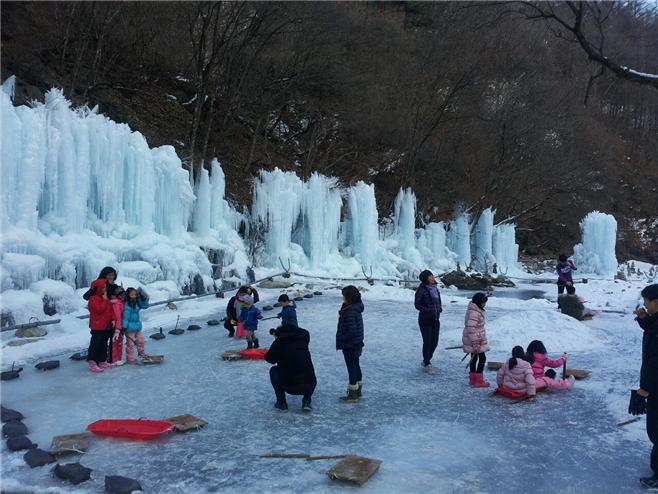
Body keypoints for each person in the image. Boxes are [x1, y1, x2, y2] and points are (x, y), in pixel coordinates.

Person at [630, 284, 658, 489]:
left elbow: (656, 360)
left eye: (647, 302)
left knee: (656, 430)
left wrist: (646, 388)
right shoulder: (655, 320)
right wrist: (643, 319)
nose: (645, 306)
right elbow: (652, 327)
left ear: (656, 302)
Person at [264, 324, 317, 412]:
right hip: (309, 385)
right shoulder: (303, 339)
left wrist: (277, 337)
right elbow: (304, 331)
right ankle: (307, 400)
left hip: (289, 386)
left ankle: (281, 402)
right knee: (307, 369)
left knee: (273, 370)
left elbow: (269, 359)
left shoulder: (278, 343)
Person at [336, 285, 364, 402]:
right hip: (357, 343)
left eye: (344, 296)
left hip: (350, 344)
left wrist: (342, 338)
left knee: (351, 367)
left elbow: (351, 330)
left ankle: (353, 394)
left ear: (349, 298)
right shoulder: (354, 308)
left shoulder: (350, 311)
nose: (343, 299)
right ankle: (358, 391)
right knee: (356, 365)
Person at [415, 270, 442, 374]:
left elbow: (438, 301)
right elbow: (417, 305)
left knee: (435, 341)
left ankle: (426, 359)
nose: (433, 277)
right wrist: (428, 310)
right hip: (425, 319)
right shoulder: (421, 289)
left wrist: (439, 309)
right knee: (427, 341)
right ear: (426, 278)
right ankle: (427, 362)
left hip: (435, 318)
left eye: (432, 275)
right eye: (430, 276)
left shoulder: (435, 288)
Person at [86, 279, 116, 373]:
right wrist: (105, 300)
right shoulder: (93, 299)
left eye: (105, 287)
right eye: (102, 287)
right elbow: (99, 309)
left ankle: (102, 360)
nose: (104, 289)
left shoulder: (104, 298)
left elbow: (110, 310)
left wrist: (113, 319)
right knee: (95, 344)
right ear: (97, 288)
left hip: (105, 326)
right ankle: (92, 362)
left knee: (103, 344)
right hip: (97, 326)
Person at [463, 292, 490, 388]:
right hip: (475, 340)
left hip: (475, 338)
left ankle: (473, 379)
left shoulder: (475, 309)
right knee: (482, 358)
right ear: (479, 302)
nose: (485, 304)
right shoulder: (475, 312)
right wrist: (475, 342)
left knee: (474, 358)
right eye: (484, 302)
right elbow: (471, 327)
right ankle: (479, 380)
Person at [122, 287, 150, 364]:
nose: (134, 296)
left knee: (140, 340)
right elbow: (125, 318)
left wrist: (143, 298)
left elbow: (145, 306)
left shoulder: (137, 302)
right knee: (130, 344)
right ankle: (130, 359)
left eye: (135, 294)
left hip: (137, 326)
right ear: (128, 295)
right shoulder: (127, 305)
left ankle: (141, 353)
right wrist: (124, 327)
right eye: (132, 295)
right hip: (129, 328)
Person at [109, 286, 126, 364]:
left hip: (120, 326)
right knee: (115, 343)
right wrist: (118, 329)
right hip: (116, 327)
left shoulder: (121, 302)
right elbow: (118, 317)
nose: (123, 296)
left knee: (119, 342)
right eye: (121, 295)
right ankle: (114, 360)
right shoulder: (117, 304)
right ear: (117, 295)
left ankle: (118, 359)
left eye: (123, 294)